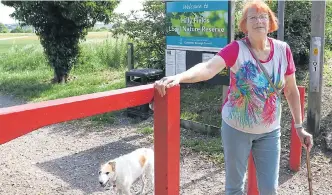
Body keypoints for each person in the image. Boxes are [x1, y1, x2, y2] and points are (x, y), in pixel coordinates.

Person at [154, 1, 313, 195]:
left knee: (269, 189)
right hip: (236, 129)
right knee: (235, 188)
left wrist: (299, 127)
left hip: (270, 131)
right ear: (245, 25)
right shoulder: (236, 49)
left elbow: (291, 90)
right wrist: (179, 77)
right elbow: (208, 68)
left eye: (263, 16)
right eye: (252, 17)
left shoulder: (283, 50)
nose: (258, 21)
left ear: (270, 22)